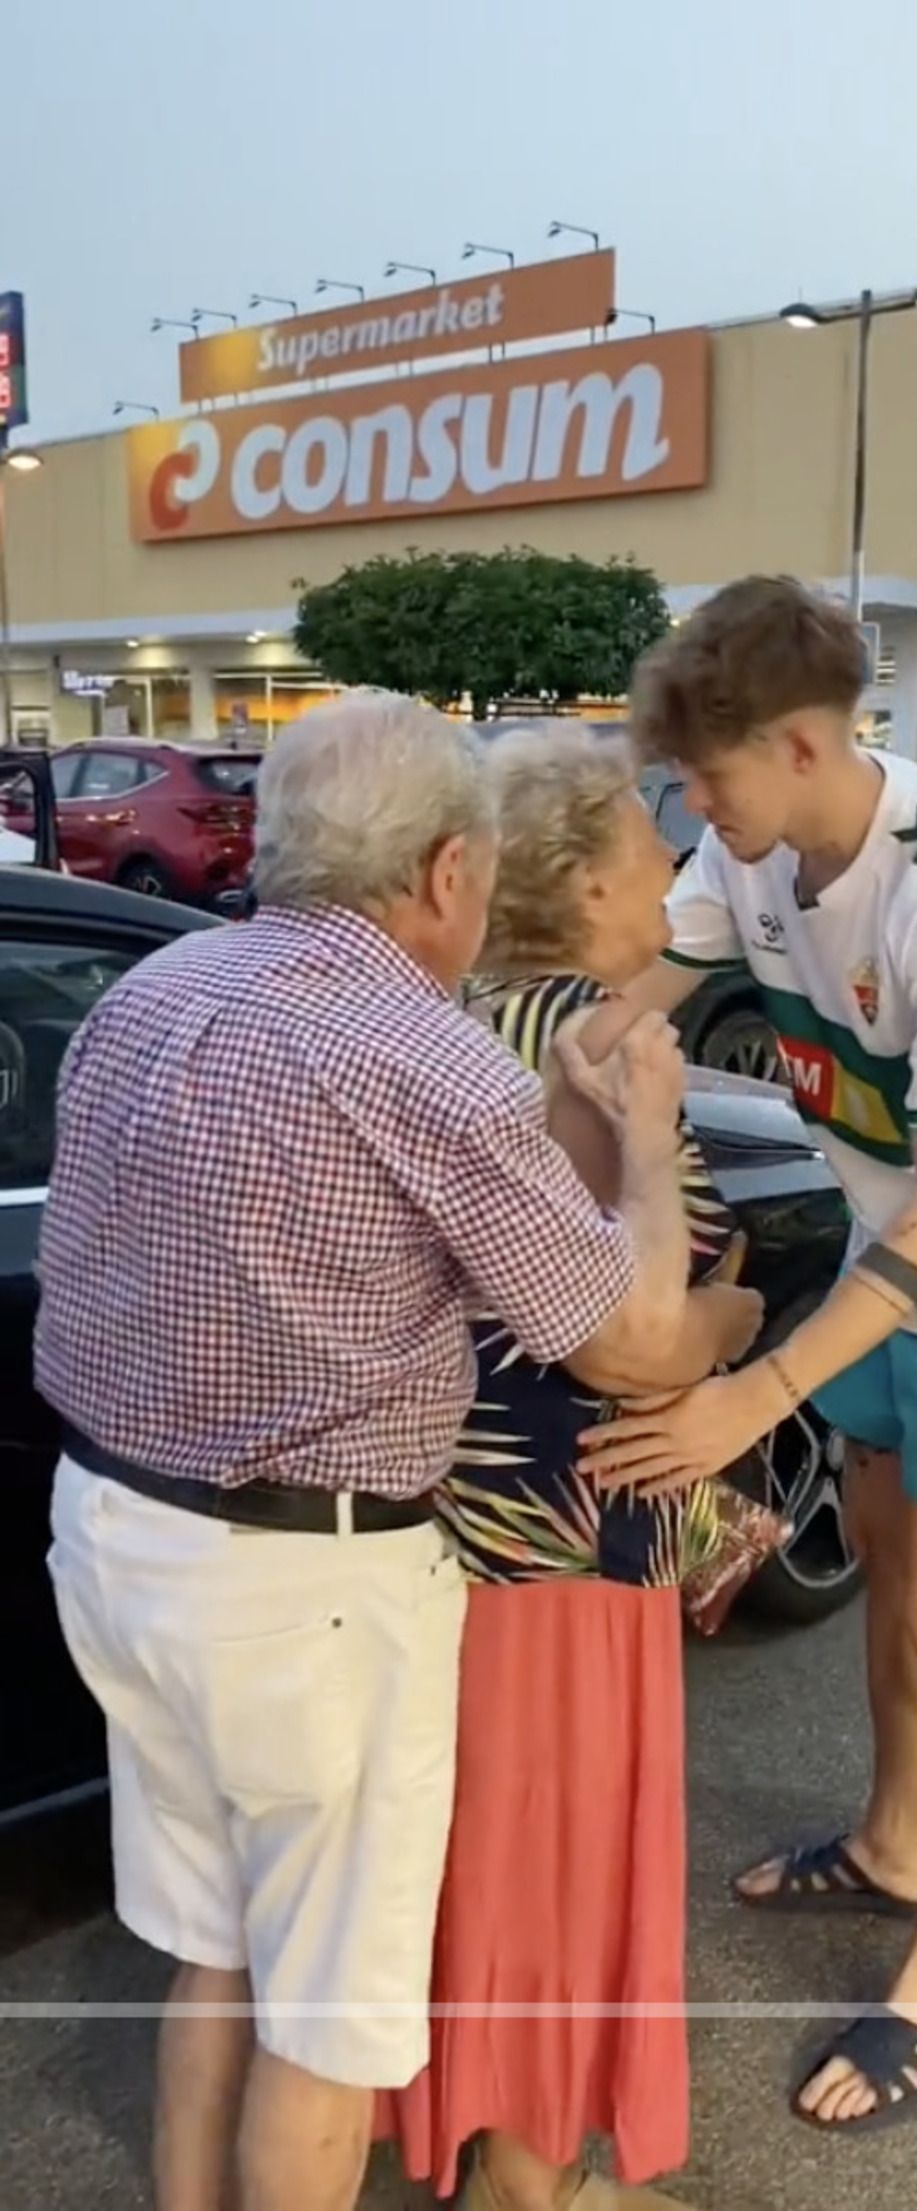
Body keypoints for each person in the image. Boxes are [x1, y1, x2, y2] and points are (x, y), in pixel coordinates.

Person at [36, 694, 696, 2211]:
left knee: (214, 1961)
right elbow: (625, 1342)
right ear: (446, 872)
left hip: (117, 1535)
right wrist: (646, 1145)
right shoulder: (422, 1059)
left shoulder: (147, 991)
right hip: (306, 1589)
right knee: (325, 2033)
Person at [580, 577, 917, 2137]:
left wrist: (756, 1389)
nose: (692, 807)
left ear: (808, 747)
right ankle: (893, 1841)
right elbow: (629, 1002)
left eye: (713, 778)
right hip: (885, 1249)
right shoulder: (750, 854)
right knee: (883, 1558)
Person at [377, 724, 768, 2210]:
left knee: (469, 1846)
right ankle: (526, 2172)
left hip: (439, 1525)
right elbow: (638, 1341)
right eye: (642, 845)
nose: (670, 859)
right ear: (583, 889)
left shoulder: (445, 1022)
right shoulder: (597, 1044)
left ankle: (470, 2134)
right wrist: (737, 1312)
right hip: (574, 1522)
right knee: (556, 1855)